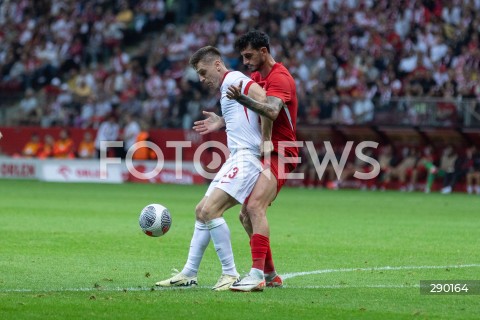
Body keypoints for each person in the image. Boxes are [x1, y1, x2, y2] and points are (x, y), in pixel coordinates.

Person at [155, 46, 268, 291]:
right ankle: (189, 273)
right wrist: (222, 121)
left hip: (247, 157)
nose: (202, 79)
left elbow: (264, 100)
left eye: (203, 72)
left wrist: (265, 141)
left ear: (218, 64)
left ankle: (230, 273)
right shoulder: (228, 87)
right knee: (200, 211)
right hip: (235, 157)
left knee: (210, 210)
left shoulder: (235, 79)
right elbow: (246, 110)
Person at [194, 31, 299, 291]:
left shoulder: (280, 78)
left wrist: (243, 99)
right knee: (245, 215)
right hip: (267, 151)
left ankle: (256, 275)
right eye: (242, 56)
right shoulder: (256, 78)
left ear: (264, 51)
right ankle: (271, 274)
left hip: (280, 151)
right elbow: (245, 112)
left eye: (249, 55)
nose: (246, 61)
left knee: (254, 207)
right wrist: (222, 120)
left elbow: (272, 111)